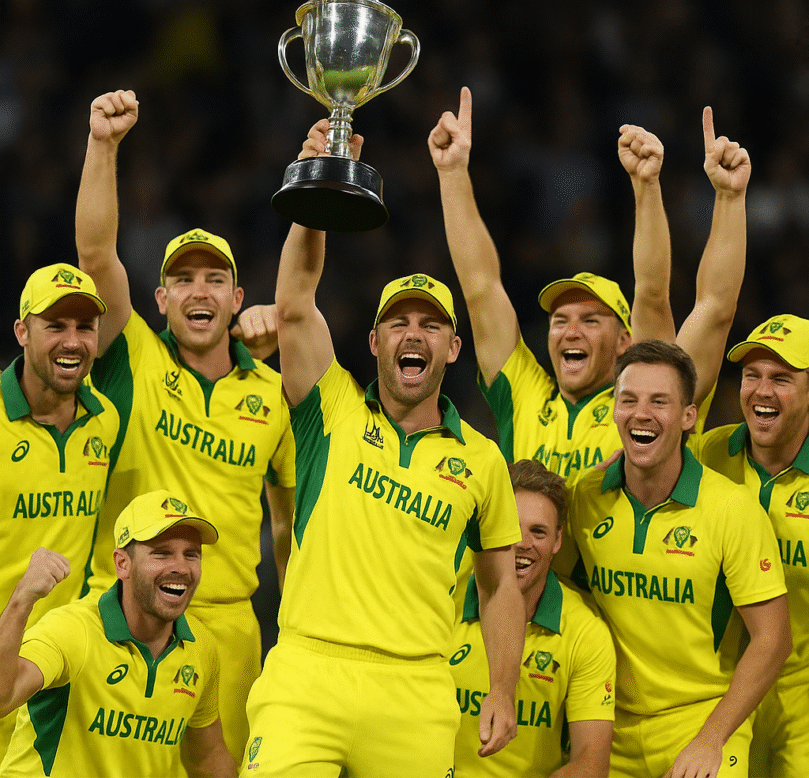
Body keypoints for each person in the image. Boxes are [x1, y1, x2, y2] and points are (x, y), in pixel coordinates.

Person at [240, 120, 524, 777]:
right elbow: (294, 302)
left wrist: (502, 688)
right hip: (307, 673)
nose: (412, 335)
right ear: (374, 343)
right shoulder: (330, 406)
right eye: (398, 323)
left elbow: (499, 586)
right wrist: (317, 180)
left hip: (416, 690)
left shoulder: (481, 460)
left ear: (452, 350)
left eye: (430, 325)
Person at [74, 89, 295, 763]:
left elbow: (284, 523)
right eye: (183, 280)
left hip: (229, 628)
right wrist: (104, 146)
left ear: (236, 297)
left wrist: (296, 628)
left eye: (215, 280)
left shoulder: (273, 392)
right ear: (160, 299)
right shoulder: (133, 357)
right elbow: (93, 255)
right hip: (127, 615)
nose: (200, 292)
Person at [428, 90, 749, 481]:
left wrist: (653, 187)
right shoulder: (524, 397)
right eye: (559, 319)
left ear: (625, 342)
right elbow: (480, 286)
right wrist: (452, 174)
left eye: (592, 320)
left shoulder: (646, 405)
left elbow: (666, 297)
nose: (570, 331)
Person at [569, 340, 791, 778]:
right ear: (613, 411)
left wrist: (710, 740)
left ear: (689, 417)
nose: (641, 413)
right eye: (627, 400)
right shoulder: (584, 496)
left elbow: (773, 640)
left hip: (704, 719)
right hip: (609, 726)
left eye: (659, 402)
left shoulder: (733, 509)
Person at [0, 489, 235, 777]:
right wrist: (21, 600)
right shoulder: (73, 630)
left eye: (191, 555)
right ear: (122, 563)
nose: (181, 568)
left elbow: (208, 757)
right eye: (161, 554)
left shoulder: (201, 648)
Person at [0, 263, 120, 763]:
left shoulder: (105, 420)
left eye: (84, 327)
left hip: (58, 671)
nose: (73, 341)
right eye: (56, 326)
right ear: (23, 331)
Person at [690, 316, 809, 778]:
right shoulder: (704, 457)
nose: (762, 390)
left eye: (781, 378)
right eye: (752, 375)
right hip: (717, 694)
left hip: (801, 697)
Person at [451, 459, 615, 778]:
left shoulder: (585, 630)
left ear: (557, 541)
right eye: (510, 527)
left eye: (538, 532)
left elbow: (591, 763)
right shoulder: (445, 598)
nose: (521, 544)